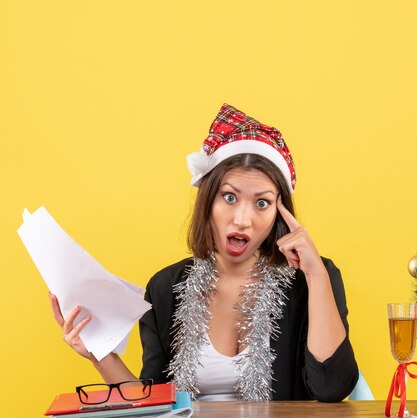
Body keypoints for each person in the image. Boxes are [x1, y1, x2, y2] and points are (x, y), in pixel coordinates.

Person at [49, 104, 359, 402]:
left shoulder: (312, 278)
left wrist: (316, 275)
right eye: (229, 197)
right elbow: (153, 402)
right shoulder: (165, 287)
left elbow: (332, 388)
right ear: (208, 201)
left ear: (280, 213)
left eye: (262, 203)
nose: (242, 219)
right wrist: (98, 353)